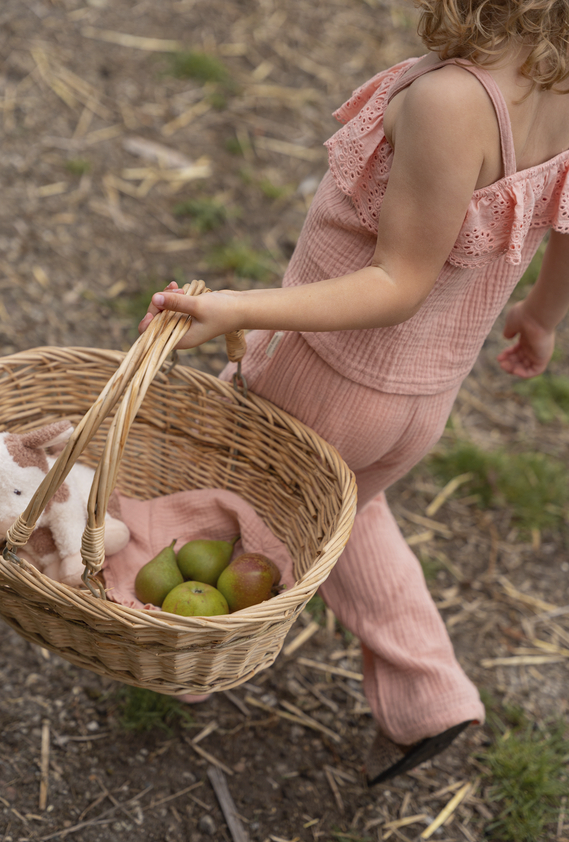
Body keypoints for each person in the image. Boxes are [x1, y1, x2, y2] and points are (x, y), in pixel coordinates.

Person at [139, 0, 569, 785]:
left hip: (326, 376)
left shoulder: (452, 101)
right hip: (420, 404)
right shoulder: (560, 83)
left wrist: (238, 308)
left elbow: (397, 282)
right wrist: (542, 315)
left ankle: (187, 656)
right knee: (343, 512)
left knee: (228, 503)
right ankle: (430, 694)